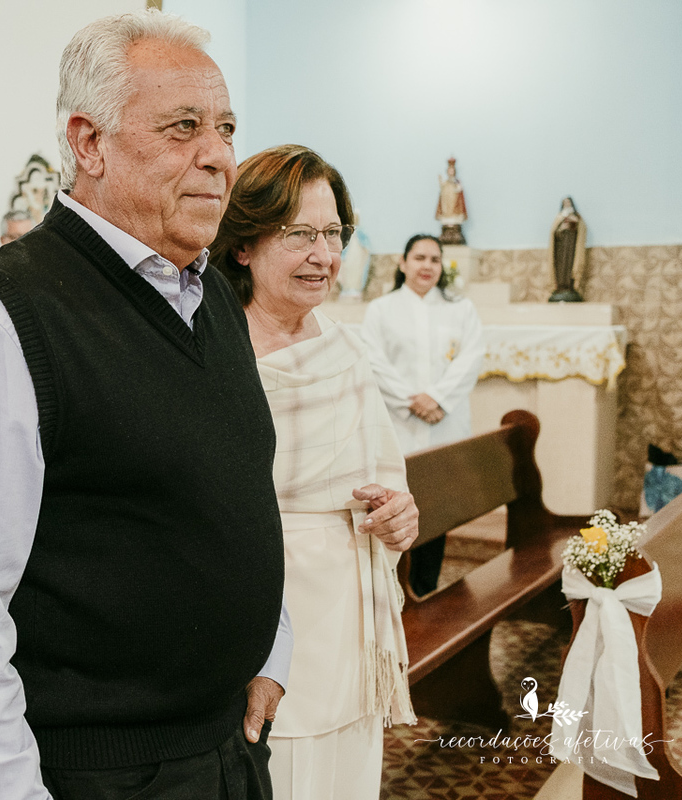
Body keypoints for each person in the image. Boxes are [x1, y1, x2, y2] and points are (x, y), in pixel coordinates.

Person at [0, 12, 291, 799]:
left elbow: (233, 486)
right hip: (104, 773)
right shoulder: (0, 318)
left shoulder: (210, 291)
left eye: (224, 128)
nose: (218, 156)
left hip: (228, 745)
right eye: (183, 127)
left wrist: (266, 656)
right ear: (89, 142)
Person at [211, 144, 419, 800]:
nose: (323, 255)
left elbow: (389, 474)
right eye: (299, 234)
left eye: (333, 234)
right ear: (242, 244)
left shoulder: (347, 349)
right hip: (263, 609)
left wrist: (400, 513)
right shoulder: (213, 356)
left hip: (352, 616)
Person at [359, 233, 485, 595]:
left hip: (445, 421)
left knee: (438, 505)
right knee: (396, 501)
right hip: (399, 422)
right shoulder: (382, 309)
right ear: (403, 263)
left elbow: (470, 358)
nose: (427, 265)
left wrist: (438, 399)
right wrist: (411, 401)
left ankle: (426, 587)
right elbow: (373, 360)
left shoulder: (461, 309)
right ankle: (391, 589)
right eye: (419, 258)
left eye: (434, 259)